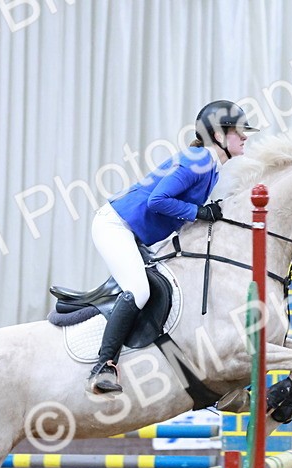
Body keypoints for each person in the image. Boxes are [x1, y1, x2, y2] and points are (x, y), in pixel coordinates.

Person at [86, 100, 258, 394]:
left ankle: (199, 384)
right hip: (116, 226)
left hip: (135, 234)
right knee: (139, 290)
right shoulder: (199, 161)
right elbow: (157, 200)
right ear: (218, 135)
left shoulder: (210, 166)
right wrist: (200, 213)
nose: (246, 137)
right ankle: (103, 366)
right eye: (239, 131)